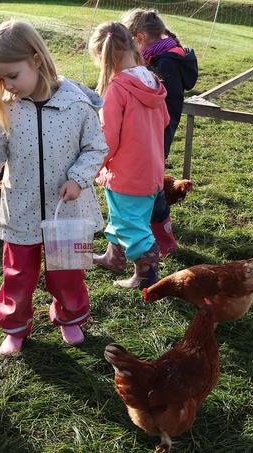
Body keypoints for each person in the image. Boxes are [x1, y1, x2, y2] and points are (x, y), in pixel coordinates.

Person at [0, 20, 109, 355]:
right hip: (21, 209)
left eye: (12, 75)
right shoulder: (7, 109)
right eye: (0, 79)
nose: (7, 85)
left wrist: (79, 178)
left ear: (37, 60)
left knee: (69, 272)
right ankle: (14, 326)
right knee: (18, 275)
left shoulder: (77, 104)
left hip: (68, 211)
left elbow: (96, 148)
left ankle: (70, 317)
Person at [88, 22, 169, 289]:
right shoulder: (152, 81)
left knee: (131, 224)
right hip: (151, 168)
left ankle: (145, 274)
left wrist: (94, 164)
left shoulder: (117, 89)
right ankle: (114, 257)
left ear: (104, 57)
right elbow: (165, 120)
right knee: (122, 215)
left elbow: (107, 138)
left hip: (127, 172)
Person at [122, 8, 199, 257]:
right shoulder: (165, 56)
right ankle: (152, 231)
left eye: (129, 40)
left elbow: (162, 104)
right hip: (155, 131)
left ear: (140, 38)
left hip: (156, 133)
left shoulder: (164, 63)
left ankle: (162, 237)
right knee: (150, 183)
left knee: (151, 185)